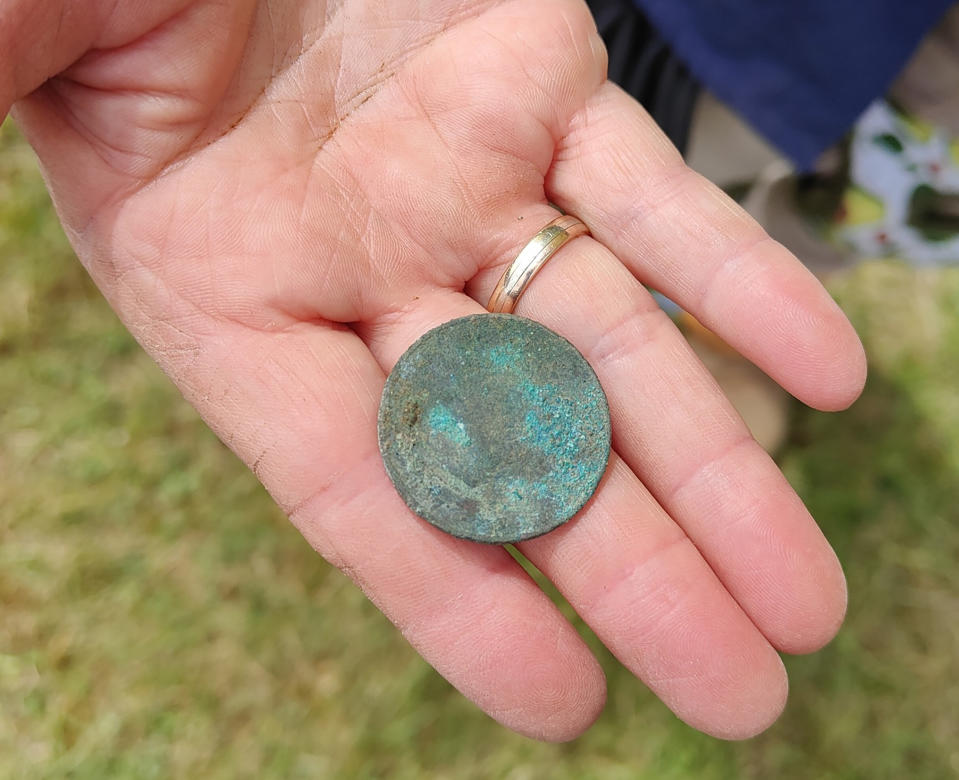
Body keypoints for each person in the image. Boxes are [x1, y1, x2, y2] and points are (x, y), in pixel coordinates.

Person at [3, 0, 871, 742]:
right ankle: (689, 334)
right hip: (697, 35)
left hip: (876, 52)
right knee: (696, 173)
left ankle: (694, 336)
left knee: (768, 201)